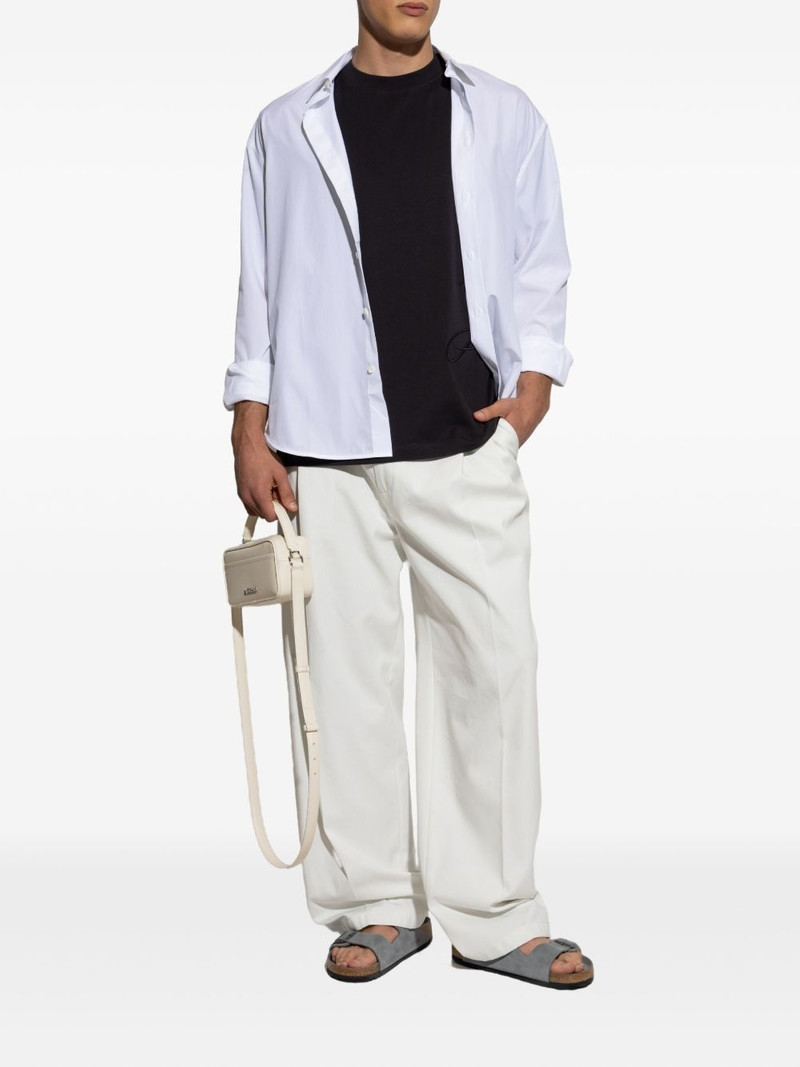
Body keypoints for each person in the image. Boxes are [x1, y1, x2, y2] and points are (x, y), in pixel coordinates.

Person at [224, 0, 593, 989]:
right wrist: (248, 418)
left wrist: (535, 381)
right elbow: (260, 282)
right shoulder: (282, 125)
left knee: (493, 670)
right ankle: (377, 903)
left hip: (462, 435)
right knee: (340, 681)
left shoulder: (503, 112)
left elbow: (541, 258)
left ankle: (495, 914)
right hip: (321, 446)